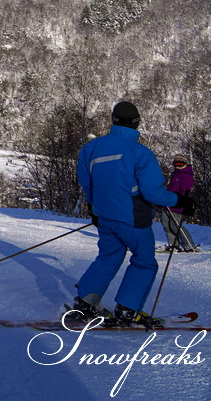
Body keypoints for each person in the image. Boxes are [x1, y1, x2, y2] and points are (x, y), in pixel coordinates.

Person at [73, 101, 197, 327]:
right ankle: (128, 310)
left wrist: (94, 208)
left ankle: (85, 303)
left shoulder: (91, 148)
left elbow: (87, 183)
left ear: (113, 120)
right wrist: (180, 201)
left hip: (105, 217)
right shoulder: (141, 153)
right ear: (137, 122)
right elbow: (153, 193)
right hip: (133, 218)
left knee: (108, 257)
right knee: (144, 262)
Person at [157, 154, 200, 253]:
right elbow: (170, 188)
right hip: (167, 203)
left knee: (175, 225)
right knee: (166, 224)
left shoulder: (187, 176)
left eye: (180, 164)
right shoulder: (174, 174)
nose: (178, 166)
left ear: (185, 163)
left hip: (177, 204)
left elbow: (185, 191)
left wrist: (182, 200)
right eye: (176, 164)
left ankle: (189, 245)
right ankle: (174, 245)